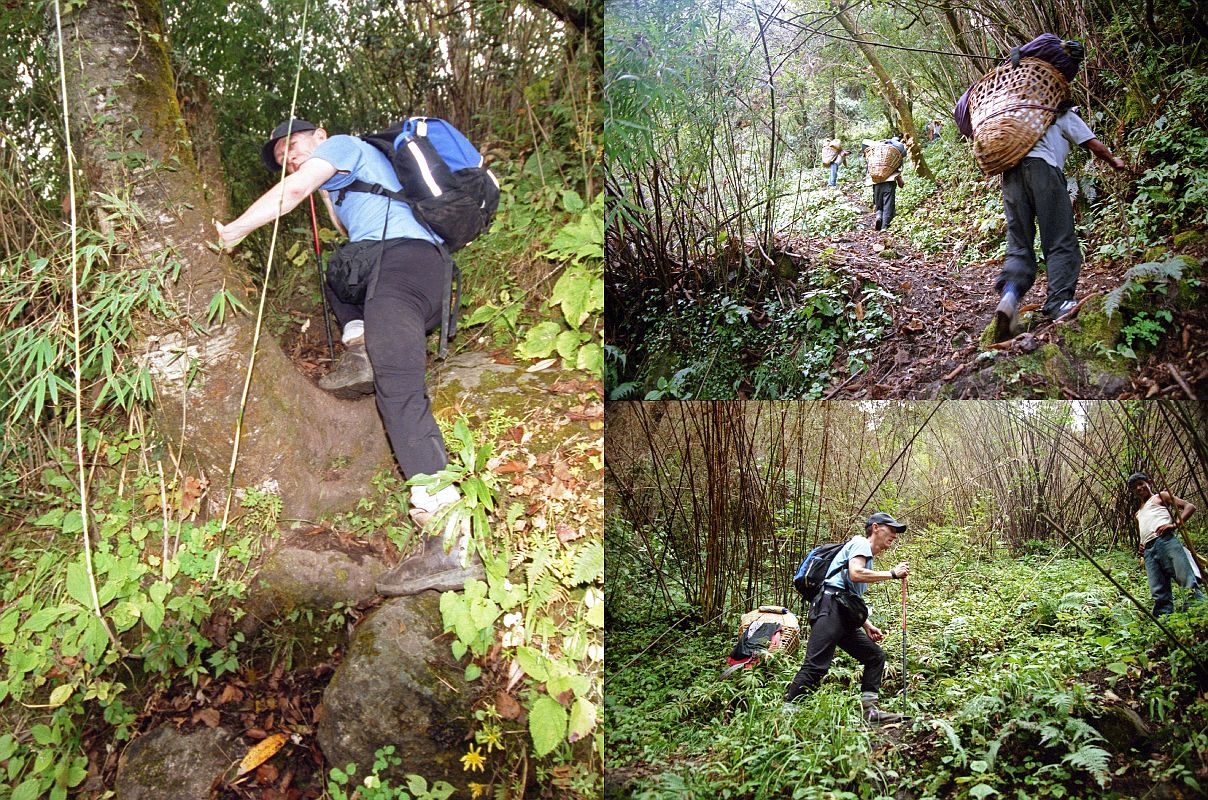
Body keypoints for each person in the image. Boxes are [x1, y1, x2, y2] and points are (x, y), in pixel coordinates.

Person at [214, 119, 483, 596]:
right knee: (339, 270)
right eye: (282, 160)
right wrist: (326, 194)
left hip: (401, 268)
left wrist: (231, 231)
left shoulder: (342, 145)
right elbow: (348, 233)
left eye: (293, 147)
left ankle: (452, 542)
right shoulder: (341, 186)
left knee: (400, 397)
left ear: (319, 135)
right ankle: (362, 351)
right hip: (419, 274)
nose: (290, 160)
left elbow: (292, 191)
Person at [991, 53, 1129, 341]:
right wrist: (1115, 161)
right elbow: (1094, 145)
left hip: (1011, 176)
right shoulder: (1058, 110)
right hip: (1044, 172)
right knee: (1059, 239)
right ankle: (1058, 302)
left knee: (1019, 242)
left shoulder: (1013, 111)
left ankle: (1010, 296)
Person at [784, 512, 911, 723]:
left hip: (841, 613)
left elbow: (848, 597)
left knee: (875, 656)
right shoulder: (861, 543)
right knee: (816, 665)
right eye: (892, 529)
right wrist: (892, 574)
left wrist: (867, 625)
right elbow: (855, 574)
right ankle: (786, 715)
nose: (895, 535)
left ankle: (870, 713)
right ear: (876, 527)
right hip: (830, 608)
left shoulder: (865, 554)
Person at [1128, 472, 1202, 616]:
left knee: (1184, 576)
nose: (1139, 488)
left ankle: (1197, 613)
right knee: (1158, 587)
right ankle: (1164, 618)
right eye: (1134, 487)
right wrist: (1141, 544)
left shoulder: (1160, 497)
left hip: (1165, 541)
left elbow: (1189, 507)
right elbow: (1144, 530)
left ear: (1149, 482)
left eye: (1141, 483)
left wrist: (1175, 524)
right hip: (1149, 551)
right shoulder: (1138, 513)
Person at [863, 137, 906, 231]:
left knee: (878, 203)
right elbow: (897, 172)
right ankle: (884, 226)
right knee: (888, 203)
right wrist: (900, 182)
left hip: (876, 181)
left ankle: (879, 217)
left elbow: (869, 169)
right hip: (889, 183)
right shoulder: (894, 156)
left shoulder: (875, 154)